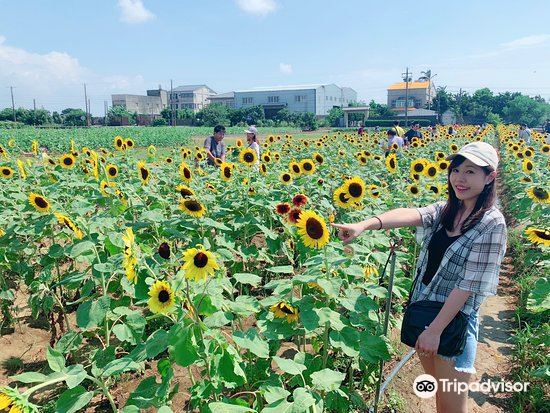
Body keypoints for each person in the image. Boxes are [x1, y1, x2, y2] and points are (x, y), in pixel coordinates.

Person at [332, 141, 507, 413]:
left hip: (452, 322)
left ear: (490, 177)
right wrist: (364, 225)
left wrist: (435, 331)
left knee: (451, 406)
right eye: (456, 169)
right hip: (425, 312)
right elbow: (410, 214)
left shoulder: (491, 223)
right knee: (438, 390)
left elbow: (468, 286)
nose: (460, 178)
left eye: (471, 172)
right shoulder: (448, 209)